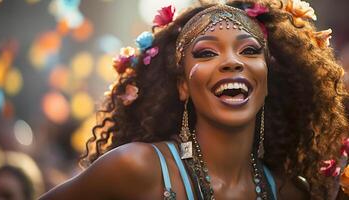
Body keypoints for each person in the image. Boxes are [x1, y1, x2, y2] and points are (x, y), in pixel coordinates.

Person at [40, 0, 349, 199]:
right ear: (182, 86)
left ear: (268, 81)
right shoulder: (136, 169)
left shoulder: (289, 192)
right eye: (206, 53)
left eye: (250, 51)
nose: (232, 62)